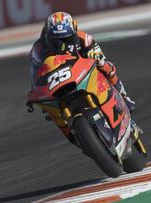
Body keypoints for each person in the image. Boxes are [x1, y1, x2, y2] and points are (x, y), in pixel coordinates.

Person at [28, 12, 135, 143]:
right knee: (49, 111)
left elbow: (99, 55)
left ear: (73, 32)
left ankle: (124, 96)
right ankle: (72, 136)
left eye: (66, 39)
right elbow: (35, 72)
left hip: (81, 71)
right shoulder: (39, 49)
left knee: (106, 67)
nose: (61, 44)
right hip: (57, 81)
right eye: (55, 41)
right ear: (47, 38)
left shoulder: (84, 38)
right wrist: (35, 89)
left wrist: (97, 58)